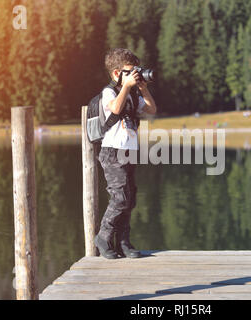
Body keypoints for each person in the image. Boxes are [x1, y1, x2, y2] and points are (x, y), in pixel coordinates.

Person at [94, 48, 157, 259]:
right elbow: (116, 109)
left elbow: (151, 109)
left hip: (129, 152)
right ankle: (103, 236)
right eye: (130, 72)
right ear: (116, 73)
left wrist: (142, 88)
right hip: (112, 152)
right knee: (119, 197)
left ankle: (123, 242)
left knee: (130, 198)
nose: (135, 75)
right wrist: (127, 87)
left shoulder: (133, 94)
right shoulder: (110, 92)